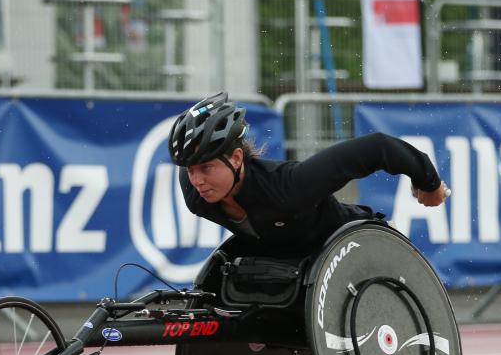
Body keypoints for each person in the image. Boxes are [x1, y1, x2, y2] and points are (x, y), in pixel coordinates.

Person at [170, 93, 450, 259]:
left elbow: (377, 147)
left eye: (206, 168)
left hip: (349, 247)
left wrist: (428, 181)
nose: (197, 180)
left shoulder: (288, 186)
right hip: (284, 261)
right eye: (190, 170)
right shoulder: (197, 196)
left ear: (236, 158)